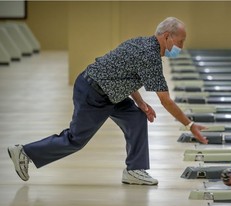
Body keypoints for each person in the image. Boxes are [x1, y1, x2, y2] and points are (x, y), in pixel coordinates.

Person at [7, 17, 208, 186]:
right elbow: (166, 101)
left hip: (109, 91)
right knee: (75, 140)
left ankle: (134, 170)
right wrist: (189, 125)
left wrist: (141, 103)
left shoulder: (140, 43)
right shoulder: (150, 56)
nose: (181, 47)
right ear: (167, 37)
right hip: (93, 92)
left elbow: (128, 76)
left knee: (137, 117)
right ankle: (25, 152)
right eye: (180, 42)